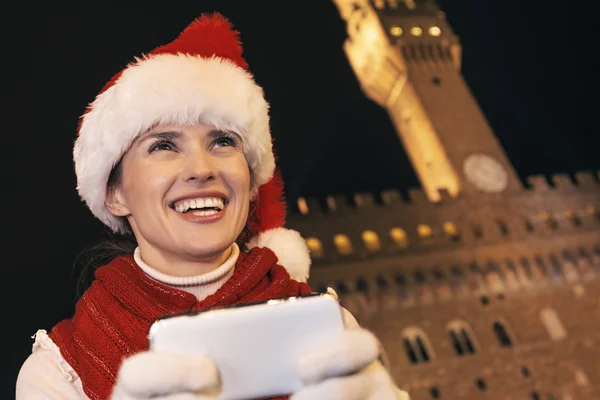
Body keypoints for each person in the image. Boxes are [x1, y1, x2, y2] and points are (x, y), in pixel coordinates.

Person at [16, 12, 410, 400]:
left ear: (251, 181)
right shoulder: (58, 370)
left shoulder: (330, 328)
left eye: (223, 141)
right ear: (114, 194)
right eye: (163, 146)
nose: (202, 169)